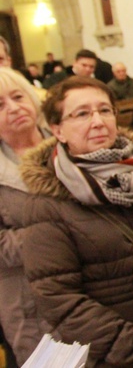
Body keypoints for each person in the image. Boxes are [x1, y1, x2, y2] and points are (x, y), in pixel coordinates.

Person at [19, 76, 133, 367]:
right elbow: (60, 300)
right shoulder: (47, 204)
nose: (97, 121)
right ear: (57, 129)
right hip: (126, 354)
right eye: (82, 114)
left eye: (105, 110)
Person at [0, 68, 51, 364]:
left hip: (88, 287)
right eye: (0, 105)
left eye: (17, 96)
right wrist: (50, 236)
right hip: (25, 297)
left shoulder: (67, 144)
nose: (14, 108)